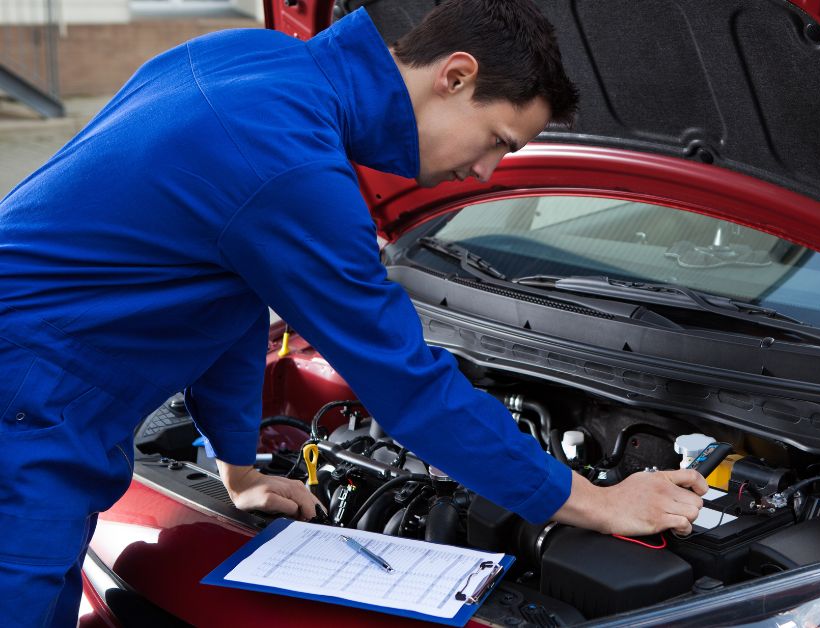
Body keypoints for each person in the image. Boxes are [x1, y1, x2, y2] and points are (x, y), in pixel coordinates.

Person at [0, 0, 707, 624]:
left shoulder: (247, 57)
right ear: (455, 77)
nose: (488, 174)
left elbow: (231, 297)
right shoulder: (294, 164)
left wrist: (237, 467)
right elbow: (408, 387)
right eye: (498, 141)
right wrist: (589, 501)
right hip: (25, 413)